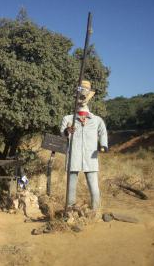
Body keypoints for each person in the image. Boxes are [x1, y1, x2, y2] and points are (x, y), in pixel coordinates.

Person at [60, 80, 108, 211]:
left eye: (84, 95)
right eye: (80, 95)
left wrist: (103, 145)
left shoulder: (97, 120)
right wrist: (67, 131)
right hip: (73, 156)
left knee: (93, 185)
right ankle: (69, 209)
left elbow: (103, 132)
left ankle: (96, 210)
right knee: (71, 185)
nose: (82, 98)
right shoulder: (68, 119)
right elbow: (63, 133)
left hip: (90, 157)